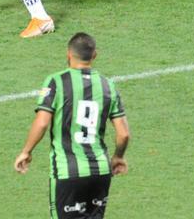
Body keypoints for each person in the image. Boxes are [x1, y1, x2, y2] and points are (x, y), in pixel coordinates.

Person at [15, 32, 130, 218]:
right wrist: (118, 157)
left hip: (68, 172)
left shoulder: (57, 82)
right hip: (100, 171)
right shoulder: (108, 86)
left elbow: (42, 122)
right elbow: (124, 134)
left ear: (68, 54)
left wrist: (26, 151)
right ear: (94, 55)